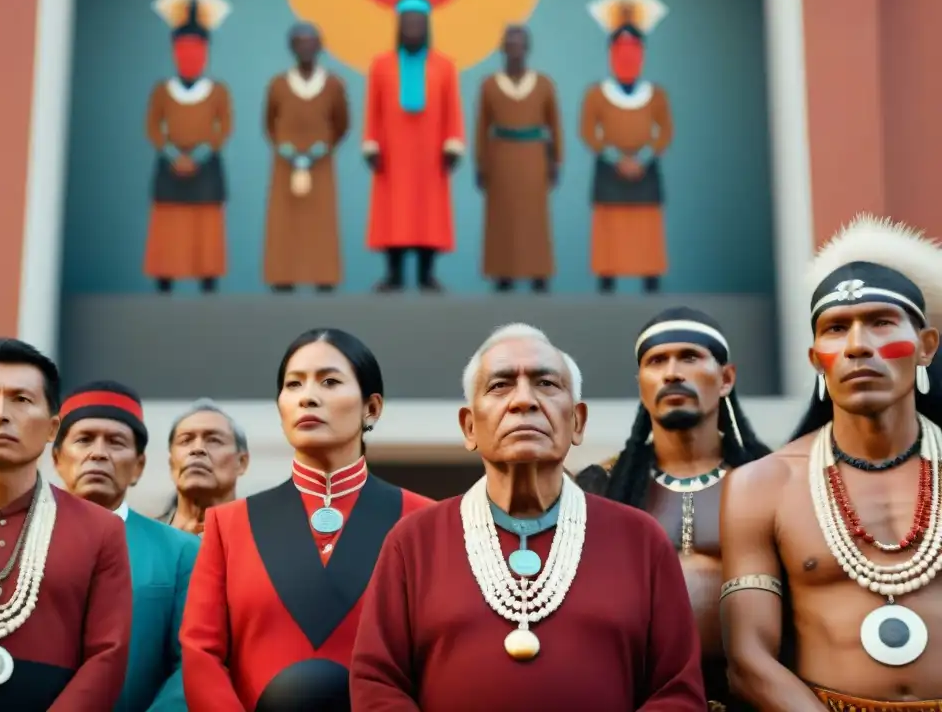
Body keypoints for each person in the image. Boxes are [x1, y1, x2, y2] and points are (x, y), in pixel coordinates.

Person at [350, 323, 706, 710]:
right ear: (469, 426)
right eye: (500, 385)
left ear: (578, 422)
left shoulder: (640, 540)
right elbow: (377, 684)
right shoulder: (415, 541)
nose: (524, 401)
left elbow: (677, 691)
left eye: (547, 384)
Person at [721, 215, 942, 709]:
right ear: (816, 357)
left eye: (882, 322)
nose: (858, 346)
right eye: (837, 328)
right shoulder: (764, 485)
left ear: (926, 347)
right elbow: (749, 659)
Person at [180, 328, 434, 710]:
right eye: (293, 384)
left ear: (372, 408)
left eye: (330, 382)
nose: (308, 397)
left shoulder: (424, 521)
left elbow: (439, 655)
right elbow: (201, 651)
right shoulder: (229, 526)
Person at [0, 338, 132, 711]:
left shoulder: (101, 530)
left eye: (21, 400)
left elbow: (108, 656)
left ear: (52, 429)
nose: (0, 413)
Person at [577, 306, 770, 709]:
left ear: (726, 378)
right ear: (641, 384)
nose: (672, 373)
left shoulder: (773, 480)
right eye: (656, 361)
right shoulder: (601, 487)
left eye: (689, 357)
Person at [52, 380, 199, 711]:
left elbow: (193, 662)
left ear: (138, 466)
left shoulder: (180, 552)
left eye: (116, 442)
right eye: (84, 439)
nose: (99, 452)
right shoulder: (20, 542)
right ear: (58, 459)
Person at [363, 0, 465, 293]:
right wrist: (371, 143)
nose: (413, 28)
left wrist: (453, 143)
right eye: (407, 22)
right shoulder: (381, 65)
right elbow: (373, 109)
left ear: (427, 26)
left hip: (430, 151)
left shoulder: (444, 66)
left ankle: (426, 273)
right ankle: (393, 274)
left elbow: (452, 109)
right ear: (399, 26)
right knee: (393, 212)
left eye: (418, 23)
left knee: (428, 212)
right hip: (393, 151)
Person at [580, 0, 674, 294]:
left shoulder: (656, 95)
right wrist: (613, 157)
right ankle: (607, 282)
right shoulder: (596, 94)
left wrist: (644, 157)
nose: (627, 55)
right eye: (620, 48)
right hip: (609, 169)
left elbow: (666, 130)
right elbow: (587, 130)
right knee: (610, 230)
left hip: (645, 169)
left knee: (646, 229)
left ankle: (650, 282)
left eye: (634, 48)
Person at [145, 0, 234, 294]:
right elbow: (153, 126)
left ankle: (208, 280)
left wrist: (200, 154)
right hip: (170, 167)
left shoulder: (218, 91)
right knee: (170, 228)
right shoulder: (162, 90)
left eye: (196, 49)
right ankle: (165, 280)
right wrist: (172, 153)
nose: (190, 56)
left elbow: (225, 125)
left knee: (205, 229)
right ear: (174, 51)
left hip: (206, 166)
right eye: (183, 49)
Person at [474, 25, 562, 294]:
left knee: (534, 218)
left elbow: (554, 125)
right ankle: (503, 275)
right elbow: (481, 127)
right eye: (509, 44)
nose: (514, 49)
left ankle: (539, 274)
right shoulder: (489, 85)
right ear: (502, 49)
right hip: (500, 156)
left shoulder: (544, 85)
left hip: (534, 156)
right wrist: (481, 164)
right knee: (502, 218)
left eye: (519, 44)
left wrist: (555, 159)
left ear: (527, 48)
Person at [263, 22, 350, 293]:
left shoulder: (333, 84)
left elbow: (342, 122)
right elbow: (269, 122)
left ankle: (323, 278)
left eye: (311, 41)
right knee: (284, 221)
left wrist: (322, 148)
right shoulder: (278, 84)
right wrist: (284, 147)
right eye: (299, 41)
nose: (305, 47)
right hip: (285, 165)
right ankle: (282, 277)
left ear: (320, 46)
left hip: (320, 165)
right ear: (291, 47)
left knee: (320, 222)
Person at [162, 398, 249, 536]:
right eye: (186, 440)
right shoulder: (139, 541)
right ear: (171, 463)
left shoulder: (265, 539)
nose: (198, 449)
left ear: (242, 462)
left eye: (214, 440)